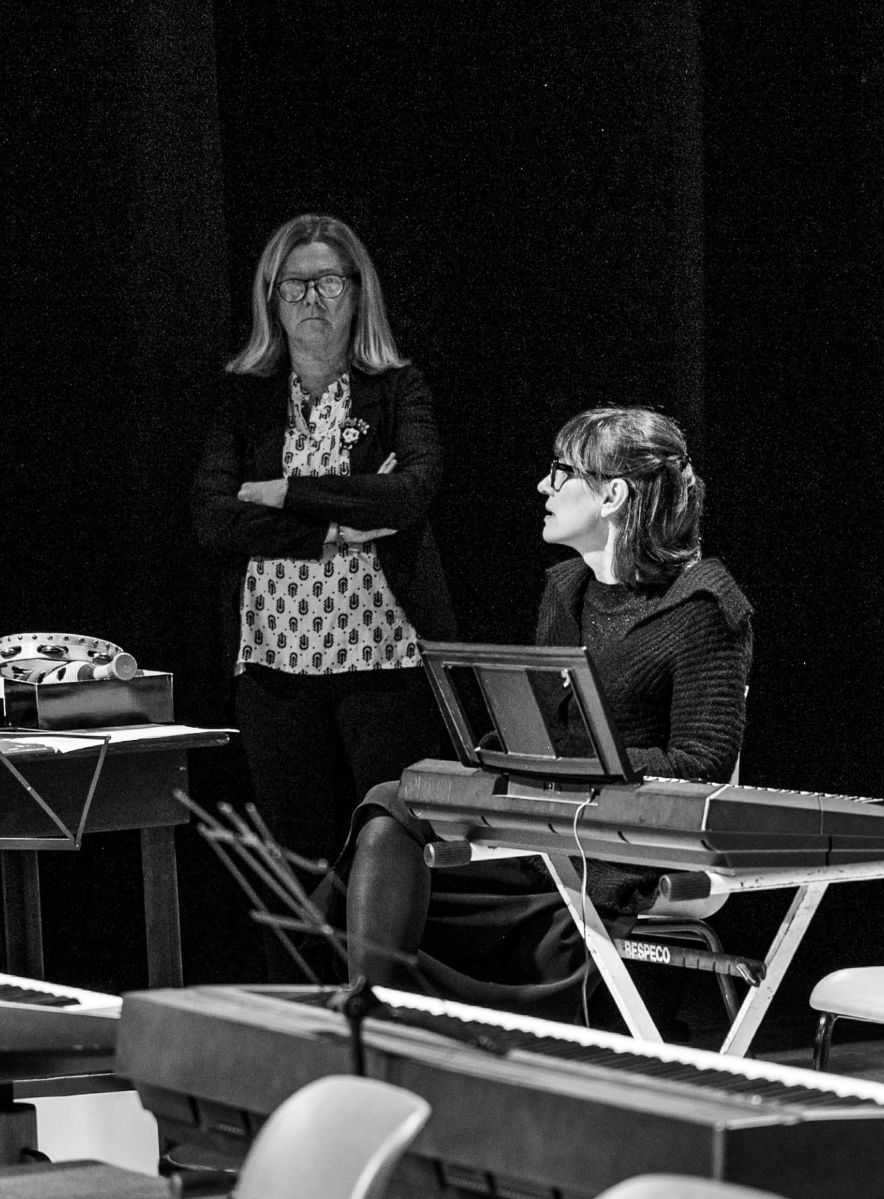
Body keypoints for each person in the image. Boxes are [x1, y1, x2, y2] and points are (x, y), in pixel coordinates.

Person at [344, 406, 752, 1017]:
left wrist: (579, 767)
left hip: (622, 840)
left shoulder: (703, 608)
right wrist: (505, 754)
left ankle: (397, 1022)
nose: (543, 486)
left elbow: (704, 764)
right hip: (544, 814)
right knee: (392, 806)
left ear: (613, 495)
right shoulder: (567, 591)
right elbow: (541, 726)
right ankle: (370, 1012)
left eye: (562, 473)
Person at [192, 214, 457, 957]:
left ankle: (388, 1000)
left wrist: (283, 491)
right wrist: (338, 524)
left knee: (389, 844)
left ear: (357, 293)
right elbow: (214, 519)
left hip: (384, 655)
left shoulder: (397, 388)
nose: (312, 299)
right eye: (295, 285)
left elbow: (410, 493)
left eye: (329, 283)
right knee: (294, 863)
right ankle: (304, 1011)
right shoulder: (243, 398)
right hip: (274, 661)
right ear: (270, 300)